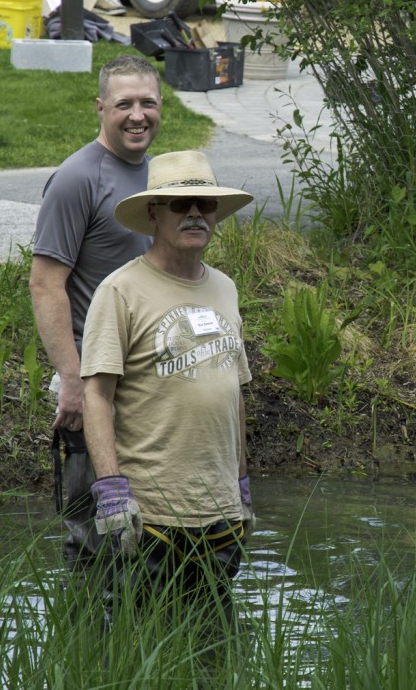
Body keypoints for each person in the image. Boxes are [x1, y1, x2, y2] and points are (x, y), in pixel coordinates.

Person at [80, 150, 255, 626]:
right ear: (154, 213)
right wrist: (112, 490)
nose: (195, 213)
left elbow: (234, 389)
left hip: (219, 513)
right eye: (180, 204)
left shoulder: (226, 288)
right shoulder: (120, 291)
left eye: (205, 203)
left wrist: (241, 483)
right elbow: (96, 395)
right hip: (150, 514)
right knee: (143, 644)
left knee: (214, 642)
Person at [29, 54, 162, 576]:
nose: (137, 115)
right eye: (124, 103)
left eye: (147, 103)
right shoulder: (78, 177)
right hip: (92, 380)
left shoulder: (158, 174)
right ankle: (89, 640)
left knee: (147, 524)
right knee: (93, 534)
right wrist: (72, 380)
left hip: (144, 378)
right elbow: (45, 284)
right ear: (100, 107)